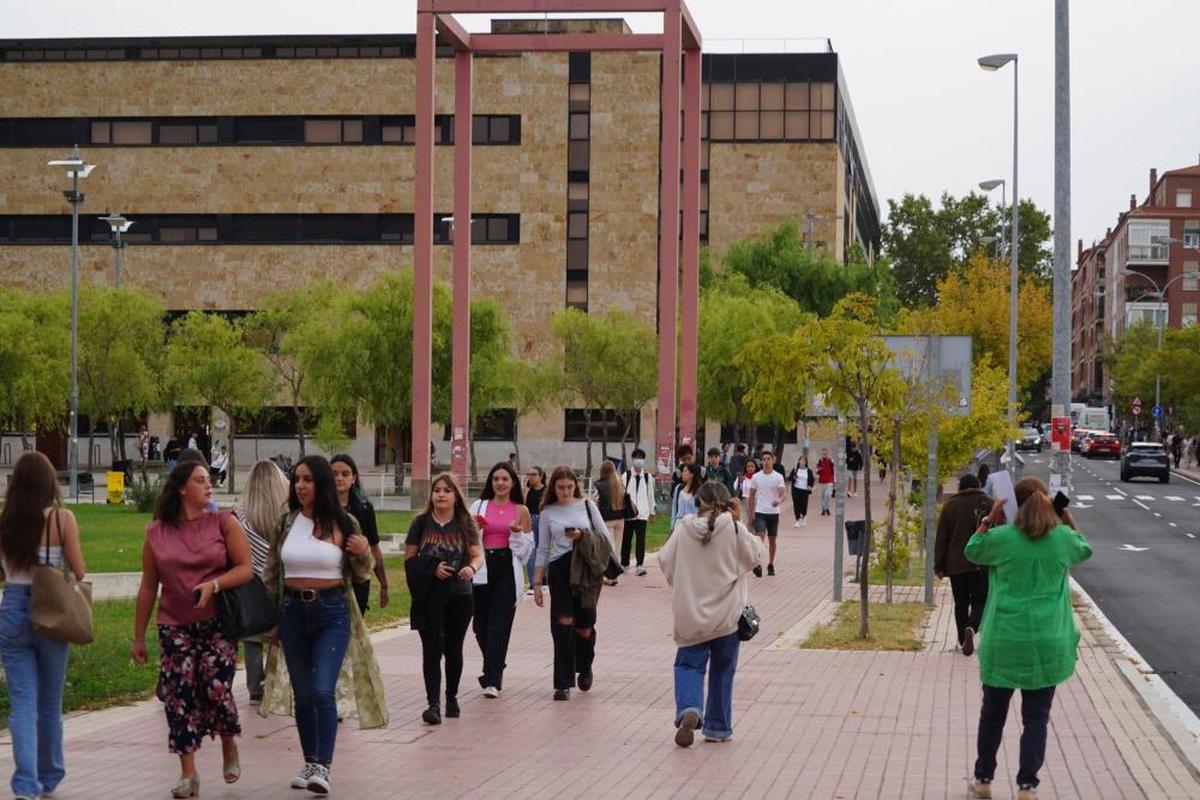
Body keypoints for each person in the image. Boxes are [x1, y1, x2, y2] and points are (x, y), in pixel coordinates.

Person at [132, 459, 254, 799]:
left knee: (216, 688)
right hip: (174, 625)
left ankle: (228, 743)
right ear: (182, 488)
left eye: (209, 479)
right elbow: (147, 587)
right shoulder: (156, 533)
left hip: (217, 623)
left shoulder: (223, 522)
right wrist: (138, 636)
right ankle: (188, 774)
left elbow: (246, 569)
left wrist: (213, 585)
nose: (209, 485)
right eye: (201, 480)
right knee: (179, 697)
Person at [964, 477, 1093, 800]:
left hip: (1005, 638)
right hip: (1047, 641)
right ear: (1046, 502)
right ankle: (1027, 786)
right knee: (1036, 718)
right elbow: (1084, 547)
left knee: (993, 713)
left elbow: (972, 551)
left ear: (1012, 505)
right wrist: (1062, 512)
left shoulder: (1002, 538)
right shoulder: (1061, 539)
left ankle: (983, 780)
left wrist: (988, 519)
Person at [260, 455, 379, 794]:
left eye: (308, 479)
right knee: (302, 693)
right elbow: (271, 573)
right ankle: (309, 760)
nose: (300, 485)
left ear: (322, 483)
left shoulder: (345, 522)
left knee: (321, 690)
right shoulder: (286, 522)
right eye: (297, 479)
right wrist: (271, 618)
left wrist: (361, 551)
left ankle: (324, 767)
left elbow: (361, 572)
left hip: (332, 611)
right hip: (292, 612)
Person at [0, 452, 87, 800]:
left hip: (14, 609)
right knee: (50, 703)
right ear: (49, 483)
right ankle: (49, 776)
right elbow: (79, 571)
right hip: (52, 610)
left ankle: (25, 784)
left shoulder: (5, 522)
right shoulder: (62, 520)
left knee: (22, 702)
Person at [658, 481, 763, 747]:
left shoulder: (683, 530)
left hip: (690, 615)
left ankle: (690, 708)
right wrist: (742, 522)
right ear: (728, 503)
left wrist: (682, 581)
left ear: (697, 502)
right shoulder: (734, 529)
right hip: (727, 617)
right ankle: (717, 727)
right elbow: (755, 556)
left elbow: (665, 562)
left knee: (688, 665)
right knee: (722, 670)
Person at [405, 473, 483, 725]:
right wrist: (431, 568)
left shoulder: (465, 523)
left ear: (455, 497)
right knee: (431, 649)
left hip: (459, 594)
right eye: (436, 490)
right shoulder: (420, 523)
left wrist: (471, 569)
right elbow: (409, 559)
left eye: (446, 490)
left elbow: (476, 555)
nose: (440, 494)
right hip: (428, 596)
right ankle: (433, 704)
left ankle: (451, 697)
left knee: (453, 648)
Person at [534, 466, 612, 700]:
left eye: (569, 487)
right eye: (560, 487)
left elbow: (605, 537)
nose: (565, 492)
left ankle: (585, 665)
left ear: (575, 486)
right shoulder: (548, 512)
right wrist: (537, 582)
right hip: (560, 568)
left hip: (586, 570)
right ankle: (562, 680)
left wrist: (582, 537)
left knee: (584, 627)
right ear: (553, 488)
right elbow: (543, 548)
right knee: (563, 623)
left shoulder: (587, 506)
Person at [469, 462, 534, 698]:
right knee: (480, 626)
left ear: (513, 482)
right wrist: (474, 528)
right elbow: (467, 540)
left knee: (499, 625)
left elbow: (525, 552)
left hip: (507, 567)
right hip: (483, 567)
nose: (500, 483)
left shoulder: (521, 510)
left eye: (505, 479)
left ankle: (492, 678)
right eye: (496, 479)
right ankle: (496, 664)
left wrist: (516, 533)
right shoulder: (479, 506)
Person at [232, 459, 289, 704]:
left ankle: (255, 686)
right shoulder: (287, 512)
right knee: (280, 633)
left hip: (251, 581)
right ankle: (275, 679)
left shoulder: (241, 513)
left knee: (253, 637)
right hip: (280, 581)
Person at [934, 474, 993, 655]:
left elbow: (942, 537)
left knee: (960, 603)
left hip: (956, 564)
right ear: (978, 485)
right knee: (980, 601)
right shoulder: (989, 504)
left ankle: (962, 640)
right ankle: (972, 627)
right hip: (981, 563)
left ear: (960, 487)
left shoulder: (950, 506)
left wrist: (939, 565)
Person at [330, 454, 389, 615]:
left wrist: (384, 585)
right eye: (334, 474)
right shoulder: (318, 509)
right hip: (328, 582)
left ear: (354, 478)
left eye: (345, 474)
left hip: (358, 581)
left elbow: (374, 548)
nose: (339, 478)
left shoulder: (364, 509)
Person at [748, 451, 786, 576]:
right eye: (764, 459)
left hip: (773, 513)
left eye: (768, 459)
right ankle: (758, 564)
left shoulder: (778, 477)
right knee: (759, 538)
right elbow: (751, 496)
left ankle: (770, 563)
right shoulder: (756, 477)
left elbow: (783, 493)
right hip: (760, 511)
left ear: (773, 460)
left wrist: (778, 500)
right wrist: (750, 514)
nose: (766, 461)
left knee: (772, 540)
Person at [593, 460, 628, 587]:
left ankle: (610, 576)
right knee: (617, 548)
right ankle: (615, 574)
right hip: (620, 519)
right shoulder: (619, 484)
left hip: (607, 520)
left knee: (609, 549)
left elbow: (594, 501)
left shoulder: (600, 485)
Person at [621, 449, 655, 576]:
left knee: (641, 540)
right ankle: (624, 563)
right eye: (637, 457)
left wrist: (652, 512)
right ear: (632, 459)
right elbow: (621, 494)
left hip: (642, 513)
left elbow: (651, 495)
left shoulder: (647, 477)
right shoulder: (626, 476)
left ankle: (639, 565)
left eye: (641, 458)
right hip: (629, 514)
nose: (639, 460)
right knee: (626, 539)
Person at [524, 466, 546, 588]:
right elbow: (522, 505)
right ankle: (533, 583)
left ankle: (543, 579)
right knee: (531, 551)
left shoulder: (546, 490)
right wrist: (525, 490)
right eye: (529, 474)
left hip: (542, 520)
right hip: (530, 520)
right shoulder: (528, 490)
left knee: (543, 550)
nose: (531, 477)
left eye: (534, 474)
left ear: (541, 476)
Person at [787, 454, 815, 528]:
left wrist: (810, 486)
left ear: (806, 462)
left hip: (804, 490)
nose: (802, 462)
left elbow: (812, 480)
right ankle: (797, 520)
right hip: (796, 489)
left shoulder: (809, 471)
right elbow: (789, 478)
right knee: (796, 505)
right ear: (798, 461)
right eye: (801, 460)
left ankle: (804, 515)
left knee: (803, 505)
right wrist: (794, 477)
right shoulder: (795, 470)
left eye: (804, 461)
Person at [671, 462, 702, 529]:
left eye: (685, 471)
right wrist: (672, 526)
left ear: (691, 474)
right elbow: (674, 508)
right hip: (679, 525)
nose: (682, 473)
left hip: (693, 526)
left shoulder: (699, 491)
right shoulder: (678, 488)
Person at [816, 449, 835, 516]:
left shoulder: (830, 461)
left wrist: (833, 481)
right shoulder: (820, 461)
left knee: (827, 495)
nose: (824, 455)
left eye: (825, 454)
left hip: (829, 481)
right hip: (822, 481)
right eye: (823, 454)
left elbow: (833, 471)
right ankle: (825, 509)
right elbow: (817, 470)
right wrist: (819, 470)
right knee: (822, 496)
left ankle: (825, 508)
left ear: (827, 454)